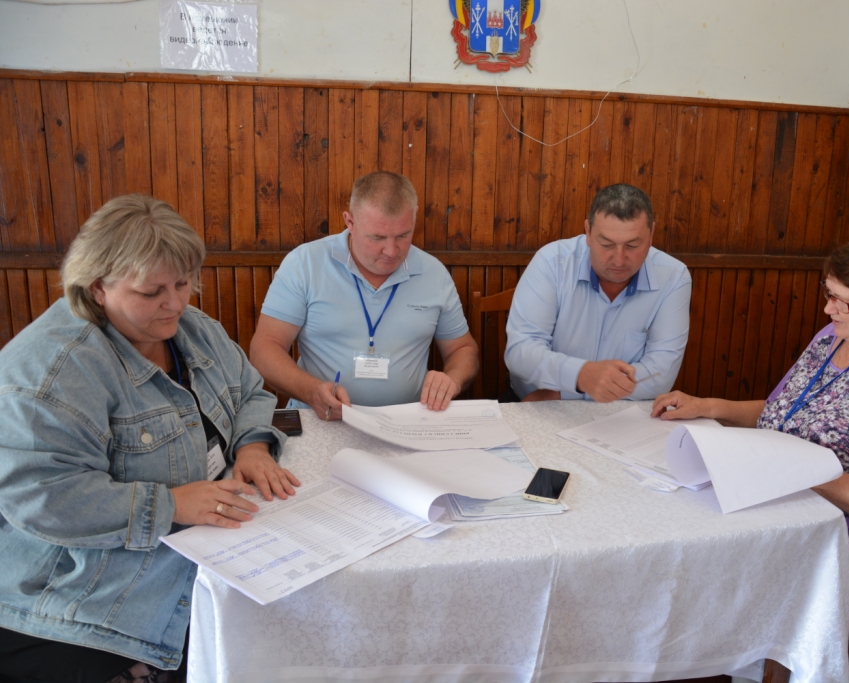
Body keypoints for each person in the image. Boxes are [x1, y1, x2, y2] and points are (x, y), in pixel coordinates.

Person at [0, 195, 299, 683]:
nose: (176, 303)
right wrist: (171, 504)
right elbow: (43, 498)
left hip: (196, 554)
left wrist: (252, 445)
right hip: (80, 598)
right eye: (151, 291)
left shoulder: (193, 330)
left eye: (183, 283)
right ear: (97, 287)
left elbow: (250, 390)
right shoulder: (53, 371)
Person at [653, 237, 849, 612]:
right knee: (687, 533)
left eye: (843, 301)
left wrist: (812, 475)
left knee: (726, 577)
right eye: (828, 292)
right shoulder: (833, 337)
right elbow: (784, 413)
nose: (828, 308)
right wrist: (708, 406)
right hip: (799, 514)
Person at [250, 171, 479, 417]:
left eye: (403, 235)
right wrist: (311, 391)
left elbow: (462, 348)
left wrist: (453, 379)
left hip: (407, 421)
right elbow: (264, 348)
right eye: (377, 237)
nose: (391, 251)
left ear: (414, 217)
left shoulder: (433, 273)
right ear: (350, 222)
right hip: (320, 418)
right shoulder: (304, 264)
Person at [504, 183, 691, 403]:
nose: (619, 260)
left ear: (651, 234)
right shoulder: (552, 262)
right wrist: (581, 374)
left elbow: (660, 375)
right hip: (536, 405)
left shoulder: (673, 276)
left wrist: (570, 390)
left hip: (619, 411)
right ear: (588, 232)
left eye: (632, 245)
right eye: (607, 244)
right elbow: (520, 351)